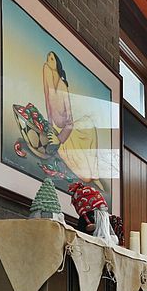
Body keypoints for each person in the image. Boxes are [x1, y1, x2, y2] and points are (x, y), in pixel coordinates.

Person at [43, 51, 103, 190]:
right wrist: (49, 125)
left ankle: (95, 175)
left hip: (70, 129)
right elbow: (48, 105)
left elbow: (69, 121)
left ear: (57, 64)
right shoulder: (48, 77)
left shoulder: (62, 86)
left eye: (52, 59)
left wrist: (59, 138)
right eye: (48, 58)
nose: (48, 61)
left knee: (89, 133)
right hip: (60, 129)